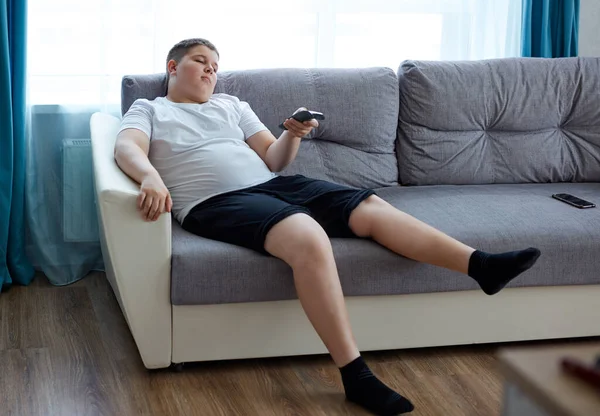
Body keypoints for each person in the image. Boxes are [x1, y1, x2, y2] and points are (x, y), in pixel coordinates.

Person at [115, 38, 541, 416]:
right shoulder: (151, 108)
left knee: (371, 207)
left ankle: (480, 266)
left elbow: (274, 160)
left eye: (215, 65)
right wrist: (151, 176)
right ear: (173, 67)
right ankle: (356, 376)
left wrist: (293, 134)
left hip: (274, 183)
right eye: (200, 60)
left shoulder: (232, 106)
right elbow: (126, 146)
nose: (211, 69)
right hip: (214, 202)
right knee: (307, 235)